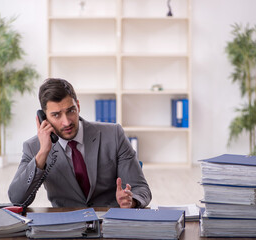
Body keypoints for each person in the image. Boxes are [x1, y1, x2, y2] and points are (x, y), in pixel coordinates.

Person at [8, 78, 151, 208]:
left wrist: (131, 201)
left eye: (70, 111)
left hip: (109, 223)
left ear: (78, 106)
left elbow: (141, 188)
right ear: (44, 118)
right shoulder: (33, 147)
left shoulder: (113, 134)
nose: (67, 122)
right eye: (56, 115)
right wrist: (43, 153)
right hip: (67, 226)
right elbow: (17, 199)